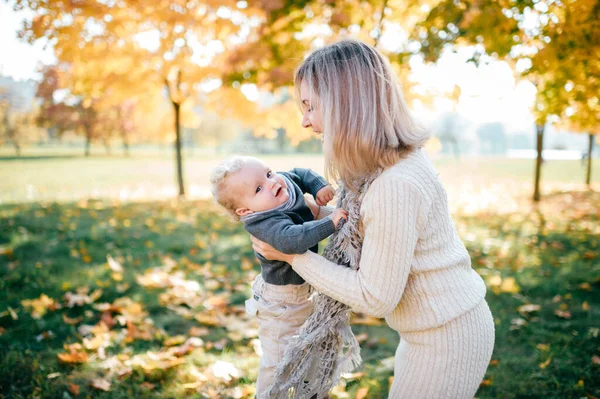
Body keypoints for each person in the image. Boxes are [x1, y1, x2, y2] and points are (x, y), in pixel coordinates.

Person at [250, 39, 495, 398]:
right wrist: (321, 214)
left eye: (309, 106)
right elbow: (375, 226)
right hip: (432, 329)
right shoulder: (386, 167)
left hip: (446, 337)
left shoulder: (392, 184)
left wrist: (290, 254)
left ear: (343, 105)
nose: (304, 121)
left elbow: (374, 296)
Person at [209, 156, 348, 398]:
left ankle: (312, 392)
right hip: (280, 304)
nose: (272, 182)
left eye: (268, 173)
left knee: (312, 350)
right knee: (279, 363)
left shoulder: (281, 185)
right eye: (259, 188)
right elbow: (293, 239)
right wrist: (330, 223)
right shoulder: (263, 222)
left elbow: (300, 173)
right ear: (245, 210)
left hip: (304, 292)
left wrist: (319, 186)